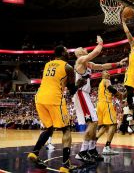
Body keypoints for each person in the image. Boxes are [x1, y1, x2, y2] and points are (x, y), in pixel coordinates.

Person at [27, 45, 85, 173]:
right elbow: (71, 91)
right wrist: (79, 84)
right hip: (54, 98)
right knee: (66, 129)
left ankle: (35, 152)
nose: (68, 53)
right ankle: (65, 165)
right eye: (66, 51)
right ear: (62, 53)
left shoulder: (48, 64)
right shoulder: (68, 67)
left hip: (39, 98)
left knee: (50, 128)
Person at [73, 36, 127, 162]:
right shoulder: (80, 61)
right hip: (81, 93)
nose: (85, 49)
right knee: (93, 122)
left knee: (95, 122)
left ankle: (91, 149)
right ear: (80, 53)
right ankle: (82, 151)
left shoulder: (88, 64)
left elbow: (103, 66)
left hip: (85, 94)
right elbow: (96, 52)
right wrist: (101, 43)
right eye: (83, 49)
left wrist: (118, 64)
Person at [95, 71, 124, 155]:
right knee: (113, 124)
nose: (109, 74)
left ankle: (92, 143)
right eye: (107, 72)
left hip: (99, 105)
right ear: (102, 75)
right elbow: (111, 88)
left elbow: (109, 91)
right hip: (106, 104)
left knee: (104, 126)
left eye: (109, 73)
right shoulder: (106, 80)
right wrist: (119, 94)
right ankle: (107, 147)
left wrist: (117, 95)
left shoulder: (101, 84)